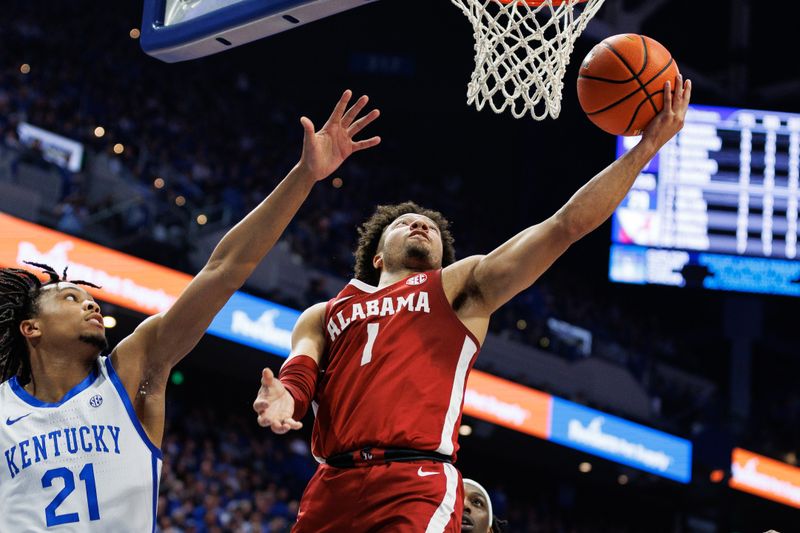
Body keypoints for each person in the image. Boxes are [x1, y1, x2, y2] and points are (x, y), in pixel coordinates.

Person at [253, 77, 691, 532]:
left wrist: (645, 149)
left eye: (430, 228)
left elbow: (564, 227)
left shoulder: (459, 289)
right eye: (406, 223)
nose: (420, 226)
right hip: (331, 483)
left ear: (443, 258)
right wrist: (285, 396)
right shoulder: (325, 313)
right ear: (377, 254)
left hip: (414, 479)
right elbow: (300, 372)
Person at [0, 90, 380, 532]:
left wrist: (304, 176)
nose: (89, 301)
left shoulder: (133, 371)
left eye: (87, 296)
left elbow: (223, 271)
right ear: (31, 328)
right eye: (69, 298)